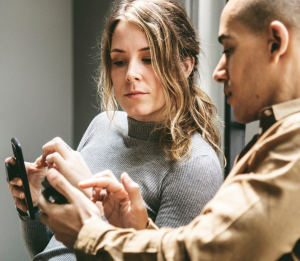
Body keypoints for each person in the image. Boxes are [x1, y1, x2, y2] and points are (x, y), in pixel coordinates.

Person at [37, 0, 300, 260]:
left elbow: (202, 252)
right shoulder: (277, 137)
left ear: (276, 43)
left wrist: (91, 226)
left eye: (229, 50)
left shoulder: (290, 148)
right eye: (119, 61)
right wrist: (138, 229)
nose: (218, 72)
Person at [6, 0, 224, 260]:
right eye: (119, 61)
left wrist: (88, 197)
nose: (131, 73)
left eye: (148, 58)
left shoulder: (195, 165)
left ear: (185, 66)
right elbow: (53, 249)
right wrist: (33, 206)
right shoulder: (102, 125)